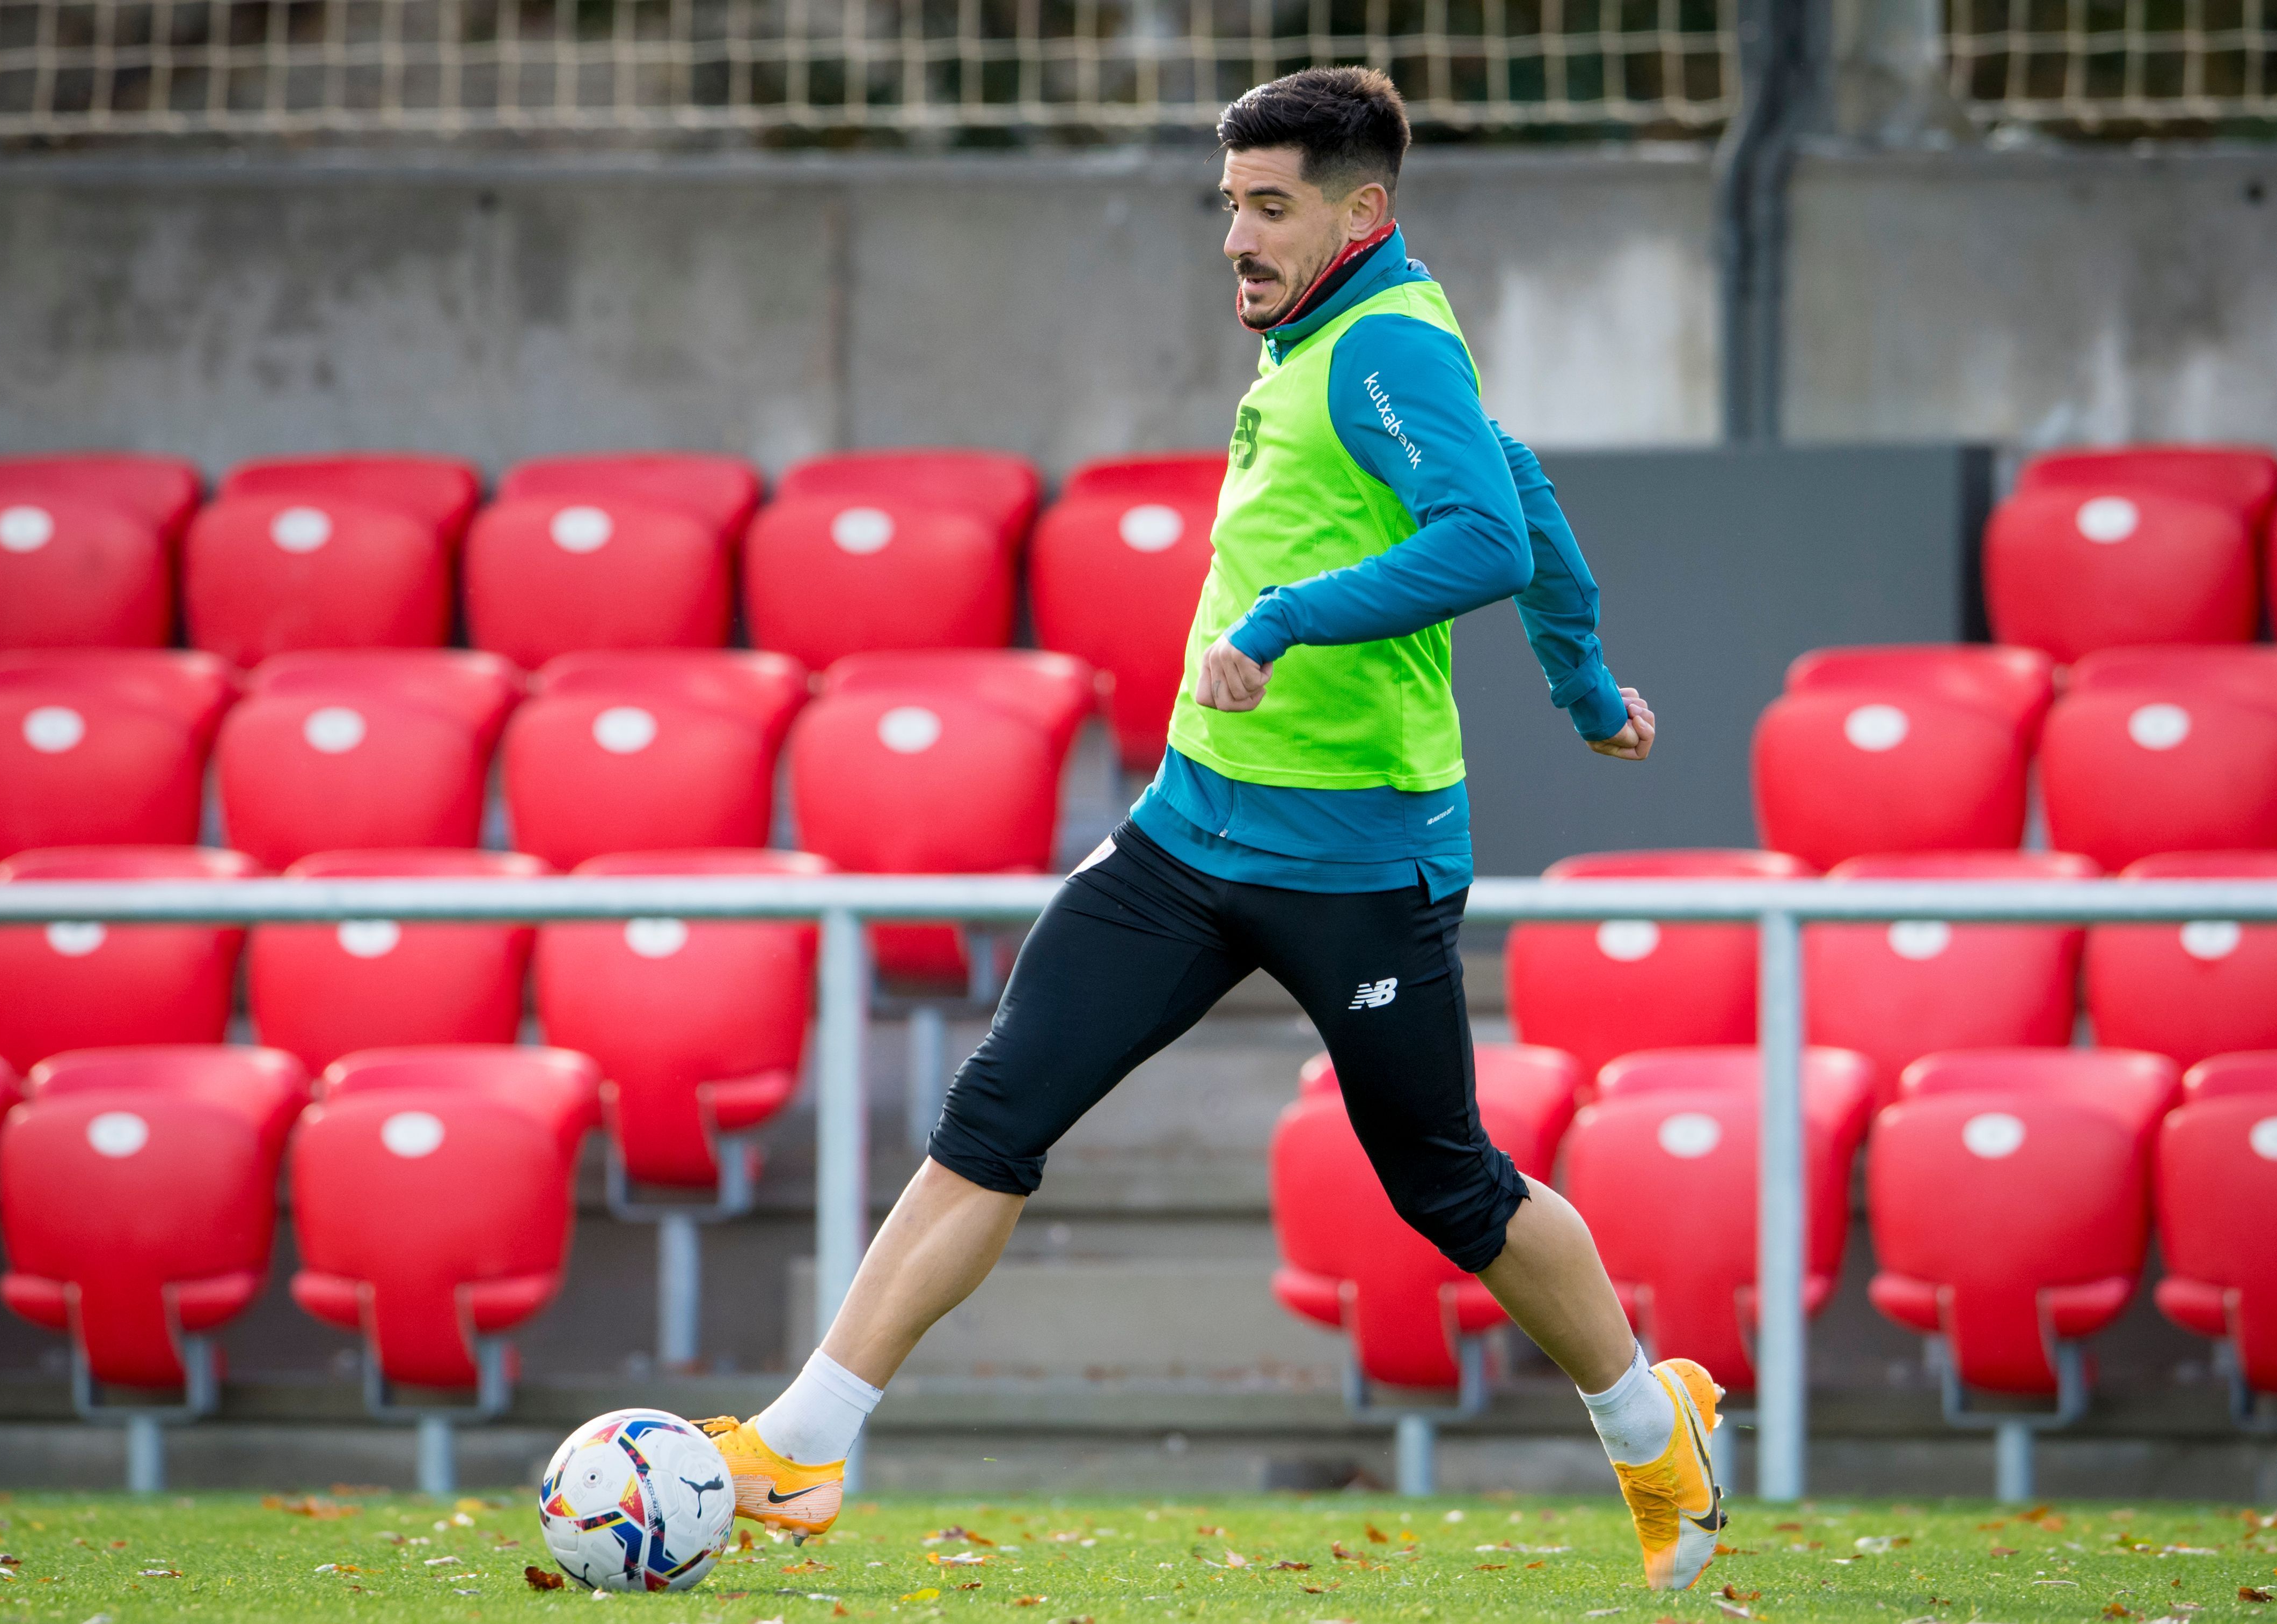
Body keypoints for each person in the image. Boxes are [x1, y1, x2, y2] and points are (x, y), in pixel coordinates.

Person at [692, 64, 1725, 1593]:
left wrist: (1295, 619)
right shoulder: (1327, 334)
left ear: (1360, 212)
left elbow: (1492, 535)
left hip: (1357, 861)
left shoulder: (1384, 341)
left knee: (1448, 1187)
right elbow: (1534, 501)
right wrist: (1583, 690)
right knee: (993, 1118)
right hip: (1187, 833)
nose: (1234, 237)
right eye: (1227, 203)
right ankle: (806, 1437)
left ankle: (1652, 1431)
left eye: (1270, 207)